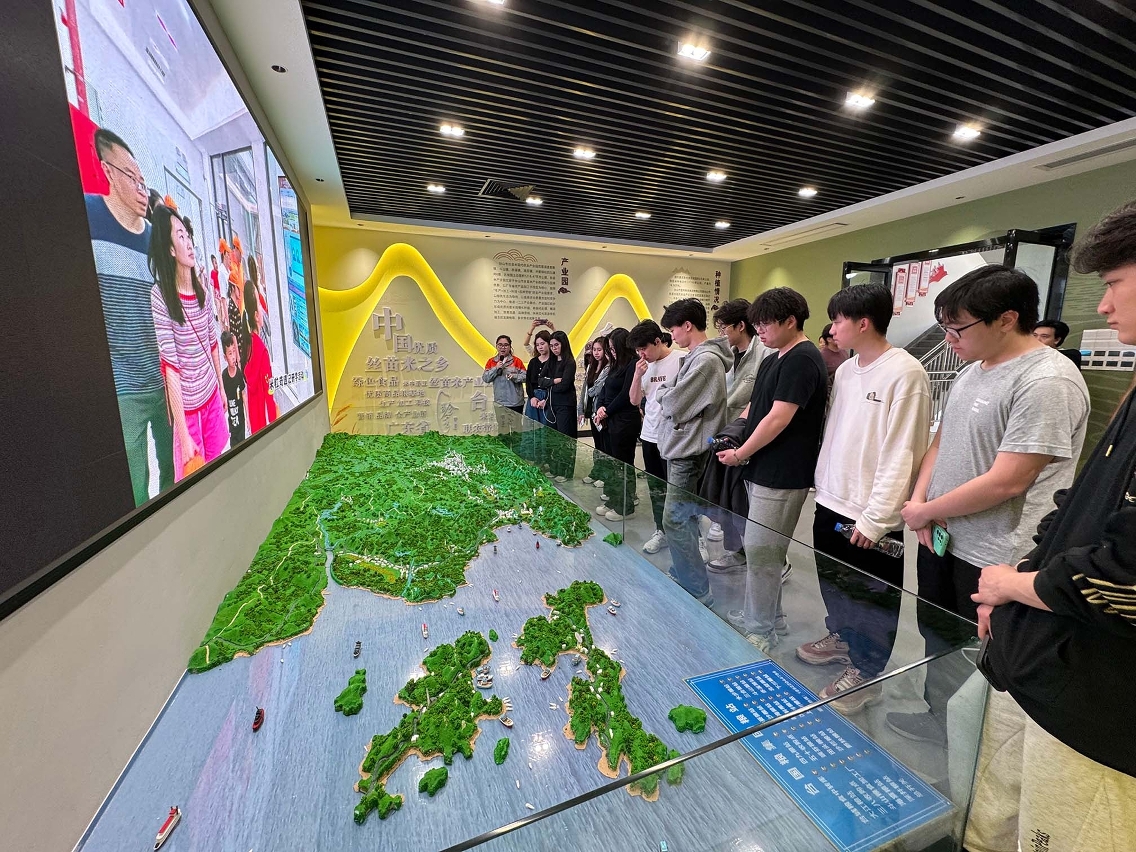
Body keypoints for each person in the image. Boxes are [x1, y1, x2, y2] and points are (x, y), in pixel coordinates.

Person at [963, 202, 1136, 852]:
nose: (1104, 305)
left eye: (1115, 283)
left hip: (1099, 707)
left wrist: (1014, 585)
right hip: (1041, 657)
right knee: (994, 821)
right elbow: (1079, 507)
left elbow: (1126, 575)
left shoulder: (1050, 378)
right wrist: (1017, 585)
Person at [891, 265, 1090, 746]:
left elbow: (1009, 481)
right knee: (937, 631)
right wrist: (920, 500)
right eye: (944, 327)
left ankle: (972, 742)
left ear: (1006, 319)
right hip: (943, 535)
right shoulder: (970, 371)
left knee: (983, 651)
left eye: (958, 328)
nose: (949, 339)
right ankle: (940, 719)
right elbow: (941, 442)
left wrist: (929, 510)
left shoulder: (1047, 381)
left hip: (998, 552)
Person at [797, 283, 931, 712]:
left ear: (863, 323)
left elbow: (904, 453)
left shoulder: (906, 373)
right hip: (831, 500)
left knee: (872, 598)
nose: (832, 329)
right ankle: (842, 639)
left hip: (870, 513)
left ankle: (867, 674)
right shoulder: (846, 371)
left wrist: (877, 519)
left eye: (837, 321)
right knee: (834, 583)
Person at [718, 288, 828, 649]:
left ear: (790, 321)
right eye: (757, 324)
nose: (759, 331)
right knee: (763, 549)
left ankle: (760, 629)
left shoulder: (803, 359)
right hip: (762, 467)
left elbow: (779, 418)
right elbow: (757, 406)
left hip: (783, 473)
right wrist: (735, 432)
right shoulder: (774, 357)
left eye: (765, 324)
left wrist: (741, 454)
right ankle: (770, 617)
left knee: (762, 551)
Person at [84, 128, 174, 505]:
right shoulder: (88, 217)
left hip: (162, 379)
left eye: (143, 181)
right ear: (107, 171)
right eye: (131, 178)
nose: (141, 190)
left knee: (174, 471)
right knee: (135, 485)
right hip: (122, 384)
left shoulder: (156, 240)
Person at [655, 299, 732, 606]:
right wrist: (666, 395)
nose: (671, 335)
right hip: (682, 448)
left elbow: (672, 403)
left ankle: (697, 588)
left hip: (689, 452)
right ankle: (685, 574)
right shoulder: (696, 358)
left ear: (687, 325)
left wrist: (665, 395)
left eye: (673, 329)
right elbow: (667, 394)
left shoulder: (706, 361)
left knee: (674, 520)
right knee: (682, 518)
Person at [148, 206, 227, 481]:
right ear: (170, 250)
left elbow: (212, 342)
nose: (189, 243)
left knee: (218, 470)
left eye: (188, 235)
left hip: (211, 397)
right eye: (180, 236)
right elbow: (170, 367)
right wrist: (183, 434)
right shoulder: (161, 296)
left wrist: (221, 388)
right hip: (188, 411)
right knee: (195, 480)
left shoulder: (202, 288)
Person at [703, 299, 769, 570]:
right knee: (728, 498)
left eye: (724, 327)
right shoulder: (726, 355)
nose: (721, 333)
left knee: (750, 504)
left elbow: (762, 403)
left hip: (750, 438)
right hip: (726, 435)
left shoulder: (764, 354)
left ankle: (773, 560)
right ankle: (737, 551)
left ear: (741, 326)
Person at [628, 321, 683, 555]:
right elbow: (634, 400)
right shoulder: (643, 366)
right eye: (637, 350)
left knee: (680, 490)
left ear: (658, 341)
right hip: (650, 435)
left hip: (675, 437)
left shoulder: (681, 360)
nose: (641, 354)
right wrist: (637, 375)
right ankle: (661, 530)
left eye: (644, 348)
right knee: (656, 488)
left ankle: (693, 536)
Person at [594, 329, 640, 520]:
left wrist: (607, 410)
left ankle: (625, 507)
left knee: (623, 465)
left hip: (625, 421)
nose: (611, 352)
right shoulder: (615, 364)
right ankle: (614, 499)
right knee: (612, 463)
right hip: (610, 420)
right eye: (609, 349)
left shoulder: (633, 364)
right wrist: (600, 407)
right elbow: (605, 389)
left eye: (613, 348)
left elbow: (626, 395)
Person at [243, 278, 278, 435]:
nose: (262, 307)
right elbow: (269, 394)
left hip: (255, 424)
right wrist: (276, 424)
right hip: (265, 426)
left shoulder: (248, 344)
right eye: (259, 303)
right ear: (256, 316)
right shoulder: (262, 351)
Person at [579, 336, 611, 489]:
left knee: (605, 445)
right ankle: (597, 471)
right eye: (594, 350)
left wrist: (591, 391)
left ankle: (606, 475)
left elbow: (596, 390)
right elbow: (585, 390)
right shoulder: (591, 366)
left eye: (600, 350)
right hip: (591, 411)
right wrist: (581, 409)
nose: (596, 353)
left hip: (602, 412)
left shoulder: (608, 368)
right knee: (597, 445)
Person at [547, 330, 578, 482]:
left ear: (563, 344)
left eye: (556, 345)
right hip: (553, 405)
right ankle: (555, 468)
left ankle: (566, 472)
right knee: (554, 439)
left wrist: (549, 385)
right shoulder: (551, 362)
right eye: (552, 345)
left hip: (566, 405)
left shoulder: (570, 362)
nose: (554, 348)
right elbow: (540, 381)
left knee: (565, 439)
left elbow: (565, 385)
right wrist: (553, 381)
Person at [483, 334, 527, 443]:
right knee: (503, 430)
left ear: (510, 346)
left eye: (506, 345)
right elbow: (486, 378)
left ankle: (517, 452)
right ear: (496, 346)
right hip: (500, 403)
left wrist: (515, 376)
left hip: (515, 402)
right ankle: (505, 452)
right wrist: (496, 368)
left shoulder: (517, 361)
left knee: (517, 430)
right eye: (500, 345)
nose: (503, 348)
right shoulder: (491, 362)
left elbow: (526, 377)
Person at [523, 329, 554, 466]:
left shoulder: (554, 362)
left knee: (546, 430)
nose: (540, 347)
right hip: (534, 399)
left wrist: (546, 399)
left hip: (548, 399)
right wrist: (532, 397)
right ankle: (534, 459)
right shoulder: (533, 362)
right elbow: (528, 382)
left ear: (549, 343)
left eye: (543, 343)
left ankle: (547, 460)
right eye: (537, 344)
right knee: (531, 429)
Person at [220, 330, 247, 448]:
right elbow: (222, 399)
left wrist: (248, 417)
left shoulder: (239, 374)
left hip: (241, 423)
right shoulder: (224, 376)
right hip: (232, 424)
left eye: (234, 352)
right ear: (225, 357)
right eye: (230, 354)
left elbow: (244, 394)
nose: (233, 357)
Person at [819, 322, 850, 390]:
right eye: (836, 334)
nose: (841, 336)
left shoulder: (844, 351)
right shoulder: (821, 356)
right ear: (829, 339)